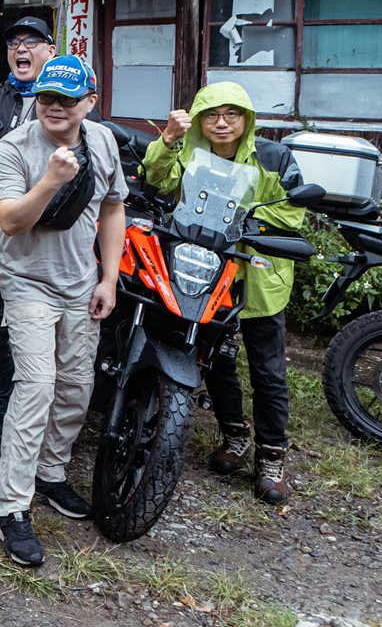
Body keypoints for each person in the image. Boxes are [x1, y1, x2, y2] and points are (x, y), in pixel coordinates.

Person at [0, 56, 126, 567]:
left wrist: (108, 278)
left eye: (67, 100)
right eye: (47, 97)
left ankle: (50, 473)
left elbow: (113, 206)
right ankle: (12, 507)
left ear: (90, 102)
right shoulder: (14, 147)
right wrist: (49, 180)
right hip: (25, 281)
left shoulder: (103, 141)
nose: (55, 107)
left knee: (75, 386)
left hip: (81, 283)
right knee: (37, 387)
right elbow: (9, 221)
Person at [142, 82, 306, 504]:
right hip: (208, 273)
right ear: (199, 120)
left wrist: (247, 218)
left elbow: (293, 210)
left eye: (232, 114)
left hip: (259, 276)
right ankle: (235, 435)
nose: (221, 123)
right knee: (214, 361)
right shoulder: (188, 153)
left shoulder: (273, 157)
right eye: (212, 115)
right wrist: (167, 140)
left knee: (268, 371)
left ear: (246, 119)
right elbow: (156, 181)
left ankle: (272, 456)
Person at [0, 15, 85, 446]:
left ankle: (47, 418)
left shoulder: (71, 103)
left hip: (50, 237)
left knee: (50, 329)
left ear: (51, 50)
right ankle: (1, 411)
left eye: (31, 41)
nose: (21, 49)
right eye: (13, 43)